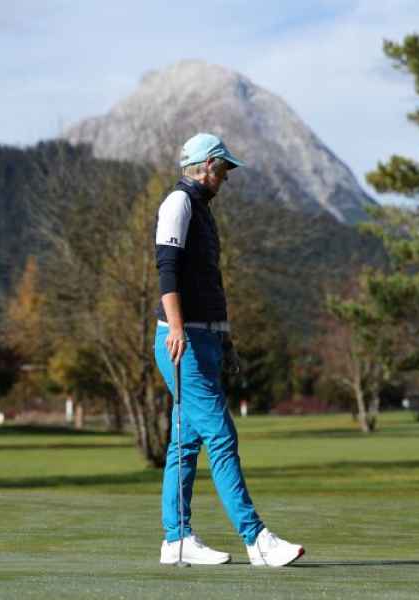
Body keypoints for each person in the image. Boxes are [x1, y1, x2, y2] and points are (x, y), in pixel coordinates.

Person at [154, 133, 305, 567]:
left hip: (205, 340)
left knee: (185, 443)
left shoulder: (202, 210)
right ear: (206, 165)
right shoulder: (178, 203)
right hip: (182, 341)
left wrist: (225, 340)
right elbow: (167, 269)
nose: (226, 177)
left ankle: (176, 539)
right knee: (221, 435)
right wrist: (177, 327)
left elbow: (210, 284)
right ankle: (256, 539)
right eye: (223, 168)